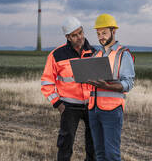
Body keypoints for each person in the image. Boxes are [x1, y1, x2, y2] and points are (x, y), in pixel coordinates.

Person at [41, 16, 96, 161]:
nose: (79, 37)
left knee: (94, 144)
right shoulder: (57, 55)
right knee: (65, 144)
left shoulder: (95, 52)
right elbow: (47, 82)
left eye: (81, 32)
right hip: (69, 107)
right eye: (74, 35)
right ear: (67, 37)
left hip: (92, 105)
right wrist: (57, 103)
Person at [87, 14, 135, 161]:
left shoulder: (123, 54)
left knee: (112, 155)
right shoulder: (96, 54)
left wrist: (107, 86)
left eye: (104, 33)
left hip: (112, 111)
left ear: (113, 31)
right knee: (99, 154)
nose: (101, 37)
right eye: (98, 34)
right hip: (93, 109)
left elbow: (128, 83)